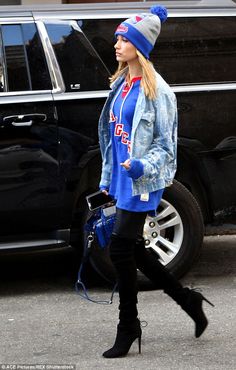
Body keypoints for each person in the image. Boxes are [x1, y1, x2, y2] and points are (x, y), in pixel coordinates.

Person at [98, 5, 214, 358]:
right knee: (131, 247)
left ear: (140, 46)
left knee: (119, 248)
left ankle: (128, 325)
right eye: (118, 37)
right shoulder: (121, 85)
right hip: (122, 178)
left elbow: (166, 147)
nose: (117, 43)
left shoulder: (158, 92)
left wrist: (139, 167)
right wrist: (109, 176)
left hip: (143, 180)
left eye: (124, 38)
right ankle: (188, 299)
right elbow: (112, 138)